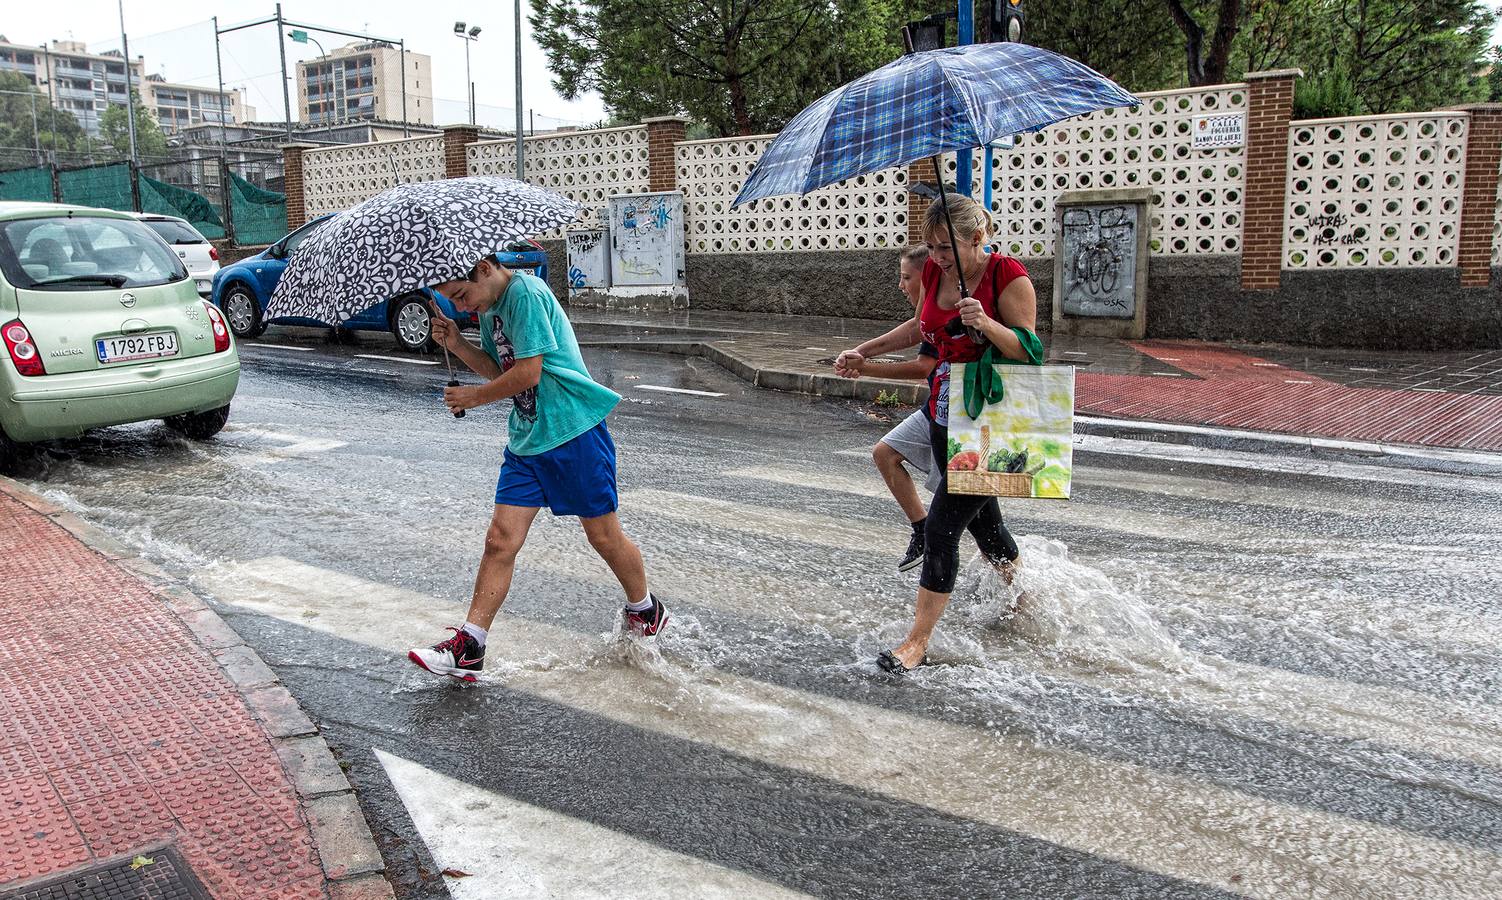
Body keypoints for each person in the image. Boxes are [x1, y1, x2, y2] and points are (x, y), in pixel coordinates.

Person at [407, 255, 667, 682]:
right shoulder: (490, 310)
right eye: (452, 301)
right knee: (499, 539)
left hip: (573, 431)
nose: (462, 306)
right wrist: (457, 344)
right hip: (528, 439)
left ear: (485, 268)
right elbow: (499, 369)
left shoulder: (525, 294)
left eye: (461, 294)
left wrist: (473, 398)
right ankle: (471, 645)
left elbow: (528, 374)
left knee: (603, 535)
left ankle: (645, 608)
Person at [878, 194, 1042, 674]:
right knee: (985, 526)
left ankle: (916, 642)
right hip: (944, 412)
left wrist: (985, 322)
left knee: (942, 526)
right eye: (931, 248)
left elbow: (1028, 351)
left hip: (991, 420)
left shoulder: (1008, 276)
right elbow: (921, 331)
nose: (937, 258)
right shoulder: (933, 274)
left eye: (946, 247)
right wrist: (865, 351)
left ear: (976, 237)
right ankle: (1025, 598)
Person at [833, 246, 942, 571]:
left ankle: (1018, 593)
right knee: (885, 453)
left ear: (927, 280)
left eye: (906, 277)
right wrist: (859, 352)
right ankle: (922, 529)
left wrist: (865, 367)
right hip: (937, 409)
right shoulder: (930, 314)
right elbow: (912, 330)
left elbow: (923, 366)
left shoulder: (945, 309)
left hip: (961, 417)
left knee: (975, 522)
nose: (900, 285)